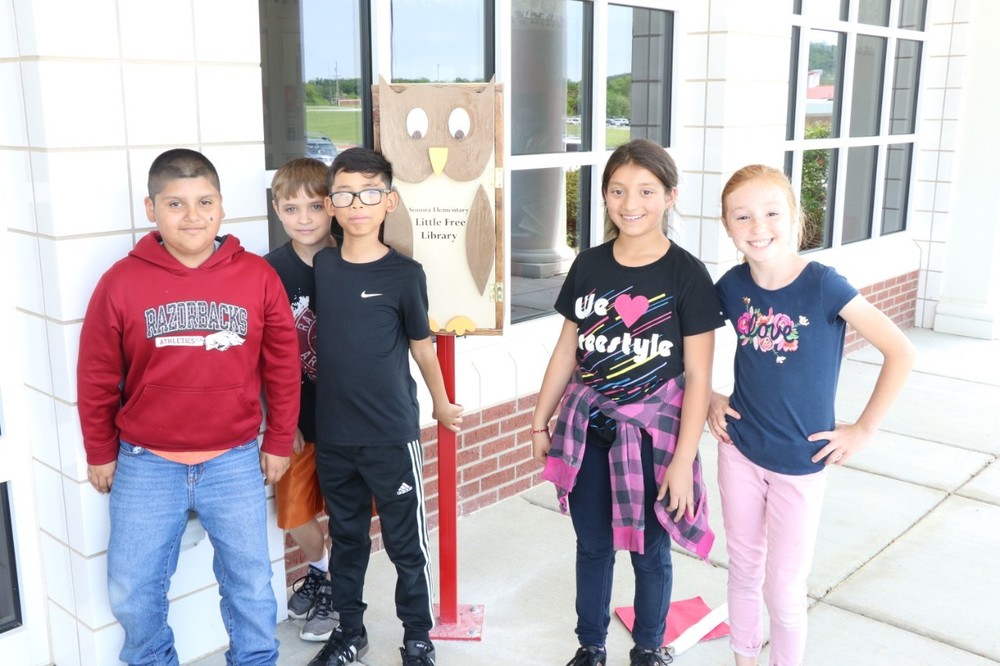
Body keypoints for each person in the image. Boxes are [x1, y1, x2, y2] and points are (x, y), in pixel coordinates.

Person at [77, 148, 301, 665]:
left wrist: (277, 438)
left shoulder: (256, 276)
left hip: (235, 459)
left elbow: (283, 366)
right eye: (175, 204)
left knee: (250, 584)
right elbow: (96, 376)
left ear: (222, 205)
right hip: (145, 461)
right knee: (132, 591)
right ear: (151, 208)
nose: (193, 216)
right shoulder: (120, 282)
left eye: (204, 202)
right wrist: (99, 450)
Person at [708, 164, 916, 666]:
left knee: (783, 590)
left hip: (800, 465)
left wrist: (863, 429)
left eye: (771, 213)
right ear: (727, 226)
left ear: (795, 219)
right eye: (743, 216)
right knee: (742, 569)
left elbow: (901, 351)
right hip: (739, 451)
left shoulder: (824, 285)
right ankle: (743, 658)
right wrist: (713, 397)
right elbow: (695, 346)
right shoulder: (731, 286)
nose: (758, 227)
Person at [531, 139, 726, 666]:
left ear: (669, 197)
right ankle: (590, 646)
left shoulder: (687, 275)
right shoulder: (589, 265)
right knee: (593, 545)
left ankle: (647, 648)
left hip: (653, 440)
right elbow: (567, 346)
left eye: (645, 190)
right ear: (605, 197)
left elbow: (700, 376)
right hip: (588, 430)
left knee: (649, 551)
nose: (629, 202)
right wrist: (539, 420)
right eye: (617, 191)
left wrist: (683, 462)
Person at [307, 146, 464, 666]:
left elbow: (422, 346)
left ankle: (417, 635)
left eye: (369, 193)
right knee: (347, 542)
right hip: (333, 436)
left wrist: (441, 404)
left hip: (391, 437)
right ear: (331, 204)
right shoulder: (323, 267)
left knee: (406, 546)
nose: (357, 204)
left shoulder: (404, 274)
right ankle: (350, 632)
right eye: (346, 193)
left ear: (389, 202)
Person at [265, 157, 339, 642]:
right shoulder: (268, 271)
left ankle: (339, 592)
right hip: (297, 418)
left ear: (332, 206)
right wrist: (278, 417)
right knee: (293, 513)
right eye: (292, 208)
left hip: (351, 417)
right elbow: (261, 354)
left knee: (349, 511)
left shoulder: (358, 257)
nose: (305, 217)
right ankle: (323, 572)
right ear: (277, 209)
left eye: (315, 205)